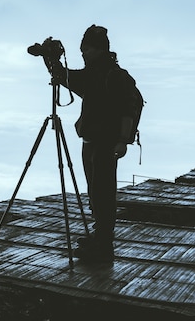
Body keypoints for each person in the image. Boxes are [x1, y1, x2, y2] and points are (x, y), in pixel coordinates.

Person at [49, 25, 138, 263]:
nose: (83, 54)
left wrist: (122, 140)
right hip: (90, 142)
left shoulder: (116, 77)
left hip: (107, 143)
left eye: (86, 49)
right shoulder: (93, 74)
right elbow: (65, 78)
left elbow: (130, 109)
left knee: (103, 193)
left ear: (99, 49)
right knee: (95, 191)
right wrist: (51, 60)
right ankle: (99, 238)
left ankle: (104, 247)